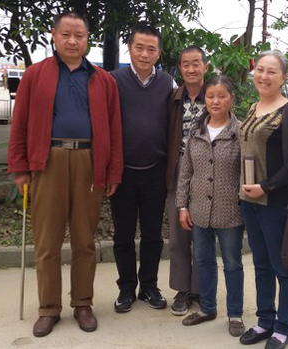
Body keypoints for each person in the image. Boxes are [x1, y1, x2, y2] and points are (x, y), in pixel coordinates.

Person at [7, 11, 123, 337]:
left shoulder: (103, 80)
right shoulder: (35, 75)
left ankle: (83, 304)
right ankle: (48, 308)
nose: (73, 41)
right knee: (47, 241)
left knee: (85, 240)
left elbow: (114, 129)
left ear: (88, 39)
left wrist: (113, 170)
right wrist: (19, 167)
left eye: (80, 36)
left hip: (89, 161)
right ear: (54, 36)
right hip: (48, 162)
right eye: (66, 35)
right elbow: (20, 123)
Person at [238, 51, 288, 349]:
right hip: (249, 201)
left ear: (283, 78)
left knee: (284, 267)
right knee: (261, 264)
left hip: (275, 203)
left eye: (272, 72)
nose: (264, 76)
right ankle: (265, 320)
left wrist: (265, 186)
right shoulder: (253, 107)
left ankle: (283, 326)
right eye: (260, 70)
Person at [109, 24, 175, 313]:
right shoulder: (113, 80)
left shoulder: (168, 84)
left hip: (155, 170)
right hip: (122, 171)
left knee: (152, 234)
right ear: (130, 48)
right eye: (139, 47)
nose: (145, 54)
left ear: (159, 52)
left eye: (151, 49)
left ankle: (149, 285)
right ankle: (126, 288)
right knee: (123, 234)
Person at [175, 75, 245, 337]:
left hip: (230, 210)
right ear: (205, 99)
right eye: (211, 96)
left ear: (231, 99)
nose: (216, 101)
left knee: (232, 263)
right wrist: (182, 205)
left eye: (222, 96)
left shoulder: (240, 132)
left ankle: (235, 313)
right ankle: (207, 307)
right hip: (198, 210)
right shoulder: (196, 131)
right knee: (203, 260)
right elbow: (186, 172)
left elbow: (246, 173)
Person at [166, 46, 210, 315]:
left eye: (196, 63)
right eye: (186, 64)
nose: (191, 69)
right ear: (180, 68)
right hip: (179, 167)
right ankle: (183, 288)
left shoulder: (216, 94)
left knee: (203, 233)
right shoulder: (173, 98)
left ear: (205, 66)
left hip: (208, 169)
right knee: (178, 234)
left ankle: (202, 288)